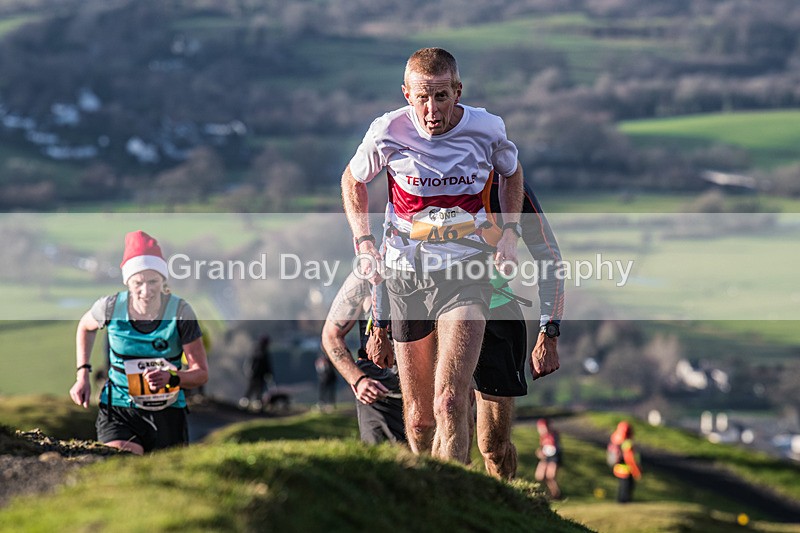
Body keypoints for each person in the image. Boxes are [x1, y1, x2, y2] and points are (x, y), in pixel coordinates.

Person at [341, 47, 526, 464]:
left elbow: (512, 173)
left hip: (467, 271)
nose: (431, 110)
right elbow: (353, 180)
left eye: (441, 96)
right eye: (422, 97)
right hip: (407, 275)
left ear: (458, 92)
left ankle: (451, 492)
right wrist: (363, 240)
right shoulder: (387, 131)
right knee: (421, 420)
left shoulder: (486, 128)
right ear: (406, 94)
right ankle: (427, 482)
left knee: (449, 401)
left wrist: (510, 234)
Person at [69, 230, 209, 455]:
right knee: (121, 462)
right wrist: (82, 375)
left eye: (153, 281)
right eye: (138, 283)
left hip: (168, 412)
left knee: (162, 474)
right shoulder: (110, 307)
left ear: (163, 280)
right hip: (119, 409)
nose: (146, 291)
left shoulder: (181, 312)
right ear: (127, 282)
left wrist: (172, 378)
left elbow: (201, 374)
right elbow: (85, 327)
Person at [320, 272, 406, 444]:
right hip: (380, 394)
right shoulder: (364, 278)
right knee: (382, 458)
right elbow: (330, 335)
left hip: (428, 392)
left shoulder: (433, 269)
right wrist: (358, 380)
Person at [607, 420, 642, 503]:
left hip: (618, 468)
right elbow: (630, 458)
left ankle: (620, 501)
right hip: (627, 469)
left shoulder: (615, 438)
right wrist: (636, 471)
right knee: (627, 487)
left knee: (621, 487)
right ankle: (624, 502)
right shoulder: (627, 443)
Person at [239, 335, 274, 412]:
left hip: (254, 375)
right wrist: (269, 373)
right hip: (258, 375)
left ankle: (245, 404)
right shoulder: (263, 352)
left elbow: (250, 363)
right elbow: (266, 365)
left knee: (251, 390)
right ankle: (255, 405)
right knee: (257, 391)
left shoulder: (255, 350)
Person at [534, 418, 563, 499]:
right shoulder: (542, 437)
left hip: (554, 458)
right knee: (540, 476)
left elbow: (554, 449)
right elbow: (543, 448)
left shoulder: (553, 435)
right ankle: (546, 493)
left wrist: (544, 452)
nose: (540, 430)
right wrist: (540, 452)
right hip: (546, 458)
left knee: (550, 477)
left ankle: (556, 494)